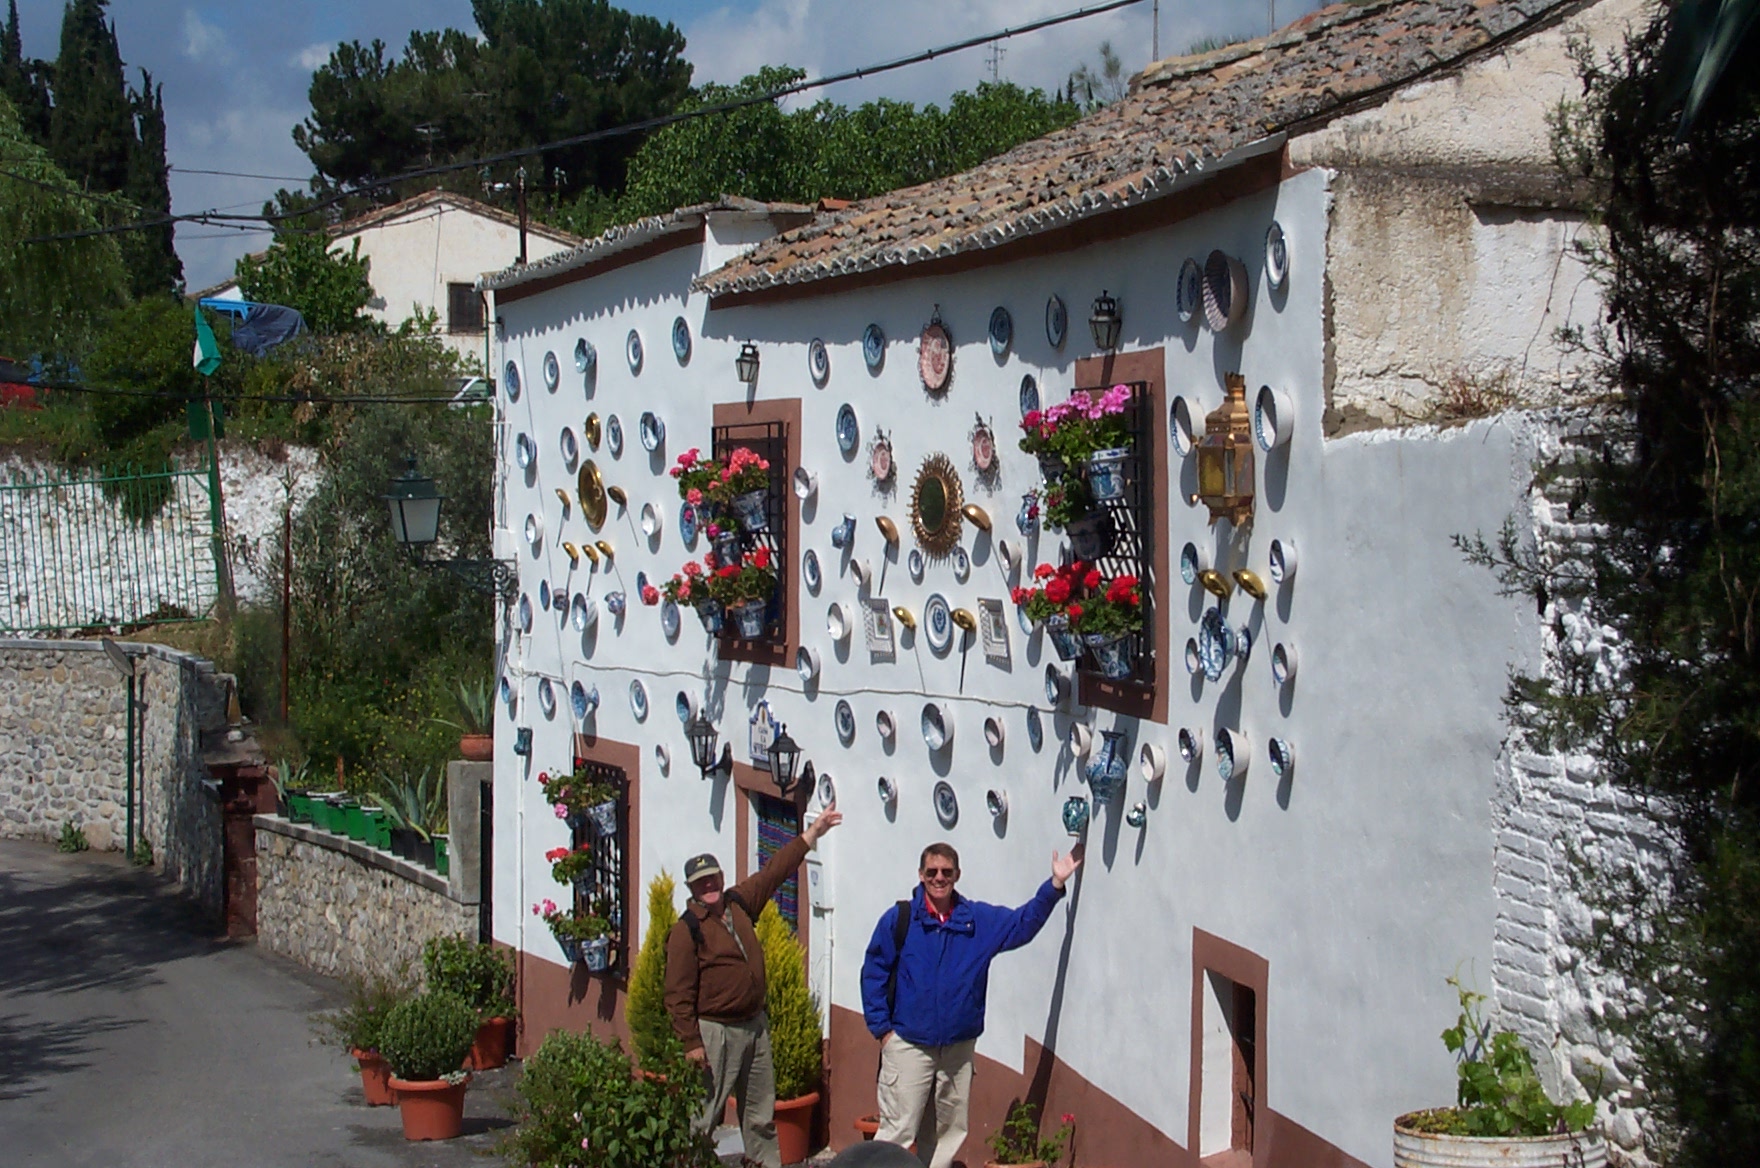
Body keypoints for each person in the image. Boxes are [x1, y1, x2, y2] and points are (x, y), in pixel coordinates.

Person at [860, 842, 1082, 1168]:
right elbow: (874, 971)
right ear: (921, 875)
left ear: (957, 875)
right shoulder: (900, 919)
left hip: (957, 1051)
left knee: (945, 1137)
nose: (939, 878)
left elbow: (1022, 924)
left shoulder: (976, 921)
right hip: (908, 1045)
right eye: (932, 872)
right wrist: (883, 1032)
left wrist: (1055, 885)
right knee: (896, 1133)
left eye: (946, 872)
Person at [664, 802, 842, 1168]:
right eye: (701, 882)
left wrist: (812, 834)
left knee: (760, 1114)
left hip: (754, 1027)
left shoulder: (739, 903)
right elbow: (677, 993)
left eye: (713, 878)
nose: (709, 885)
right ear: (691, 888)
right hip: (716, 1032)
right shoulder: (687, 930)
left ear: (721, 877)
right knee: (704, 1115)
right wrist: (691, 1043)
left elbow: (775, 871)